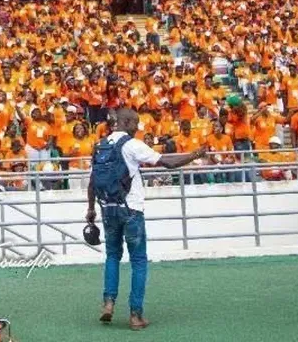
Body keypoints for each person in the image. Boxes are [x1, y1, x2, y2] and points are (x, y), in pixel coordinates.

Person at [85, 107, 207, 330]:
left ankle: (108, 303)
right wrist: (195, 155)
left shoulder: (100, 145)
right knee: (138, 261)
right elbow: (168, 163)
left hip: (108, 209)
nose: (137, 128)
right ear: (127, 122)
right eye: (135, 124)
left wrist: (91, 210)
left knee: (112, 256)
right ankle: (135, 315)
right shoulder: (132, 145)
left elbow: (93, 181)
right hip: (131, 209)